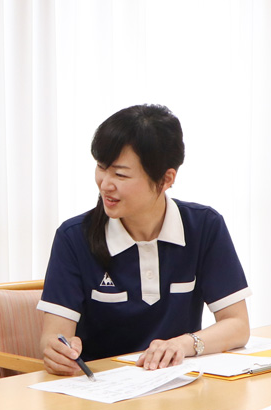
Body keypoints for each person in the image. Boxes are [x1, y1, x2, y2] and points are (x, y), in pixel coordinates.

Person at [38, 104, 250, 375]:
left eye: (120, 174)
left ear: (166, 179)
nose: (105, 184)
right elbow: (52, 338)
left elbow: (238, 325)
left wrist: (183, 344)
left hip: (174, 386)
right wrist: (58, 352)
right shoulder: (74, 237)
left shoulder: (204, 227)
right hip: (100, 393)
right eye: (101, 168)